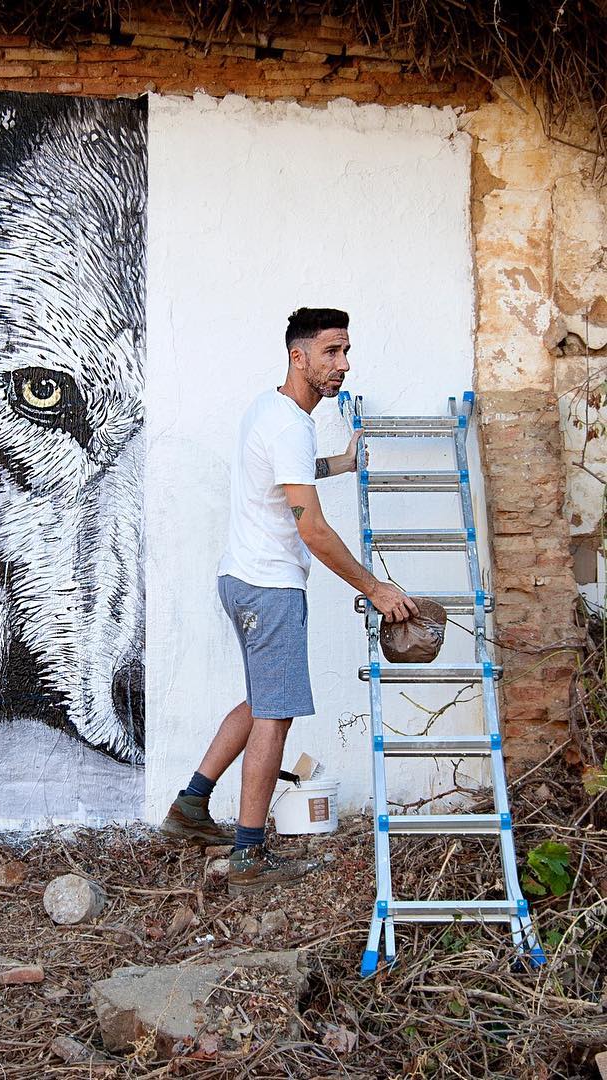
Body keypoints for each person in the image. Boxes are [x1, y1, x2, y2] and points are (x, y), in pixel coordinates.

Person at [160, 307, 417, 894]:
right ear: (298, 357)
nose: (343, 365)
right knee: (274, 715)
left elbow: (285, 475)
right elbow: (313, 529)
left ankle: (190, 806)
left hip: (241, 578)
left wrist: (339, 464)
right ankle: (249, 855)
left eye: (346, 351)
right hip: (269, 588)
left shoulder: (271, 410)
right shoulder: (290, 426)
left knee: (261, 700)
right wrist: (374, 587)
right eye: (331, 352)